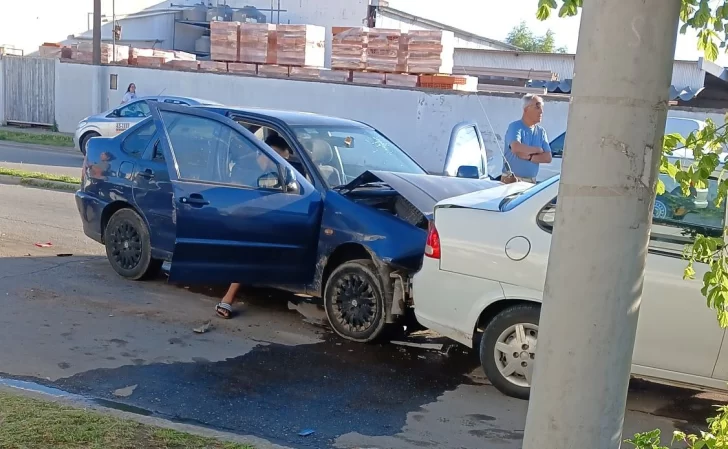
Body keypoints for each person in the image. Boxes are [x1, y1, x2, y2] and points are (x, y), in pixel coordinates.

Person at [215, 133, 291, 319]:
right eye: (278, 157)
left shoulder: (282, 170)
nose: (280, 162)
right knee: (251, 245)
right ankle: (228, 298)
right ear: (268, 152)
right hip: (241, 216)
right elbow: (235, 195)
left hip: (268, 216)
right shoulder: (245, 167)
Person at [502, 94, 552, 183]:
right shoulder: (515, 127)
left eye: (541, 108)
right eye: (537, 107)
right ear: (526, 109)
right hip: (512, 180)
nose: (541, 111)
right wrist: (538, 150)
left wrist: (530, 157)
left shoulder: (541, 132)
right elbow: (516, 147)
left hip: (531, 182)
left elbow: (548, 158)